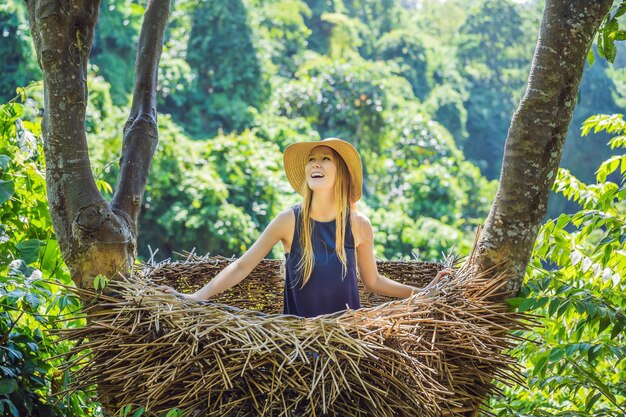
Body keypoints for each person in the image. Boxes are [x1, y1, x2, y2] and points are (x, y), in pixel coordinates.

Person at [161, 138, 452, 317]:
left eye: (326, 159)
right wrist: (195, 297)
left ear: (340, 173)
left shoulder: (359, 226)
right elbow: (240, 267)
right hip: (299, 345)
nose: (316, 164)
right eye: (312, 159)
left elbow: (374, 282)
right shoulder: (288, 221)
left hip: (348, 342)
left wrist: (423, 292)